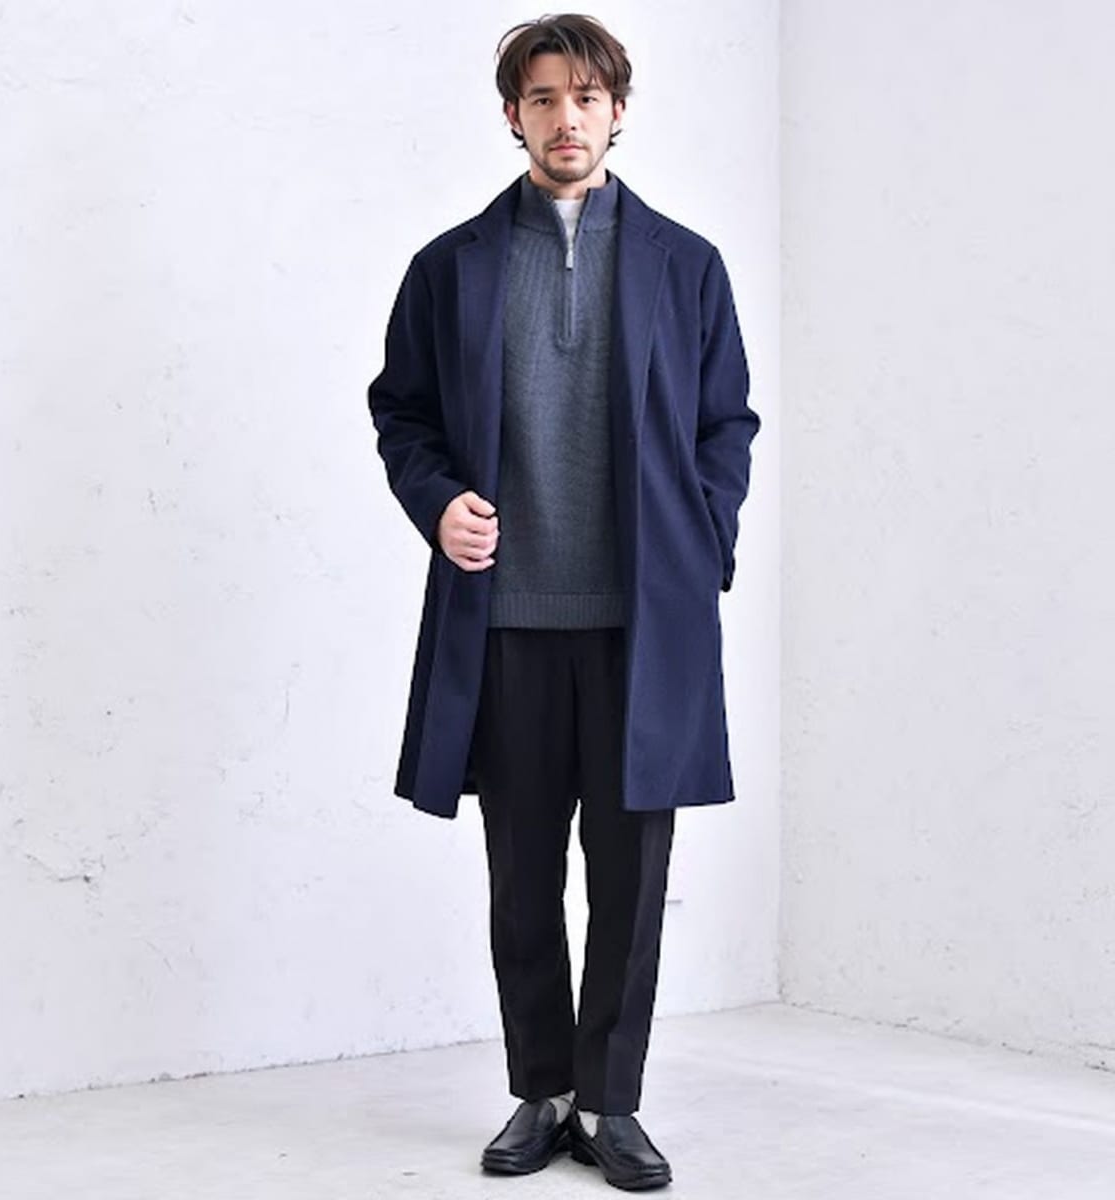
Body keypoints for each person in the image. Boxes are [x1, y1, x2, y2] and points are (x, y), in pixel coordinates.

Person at [368, 13, 759, 1192]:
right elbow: (403, 414)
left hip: (644, 624)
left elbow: (726, 424)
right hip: (508, 623)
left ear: (618, 110)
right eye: (543, 98)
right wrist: (438, 503)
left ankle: (610, 1101)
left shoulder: (687, 264)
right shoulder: (452, 266)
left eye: (586, 97)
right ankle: (540, 1092)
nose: (566, 117)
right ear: (514, 116)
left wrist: (700, 543)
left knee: (631, 884)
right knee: (522, 877)